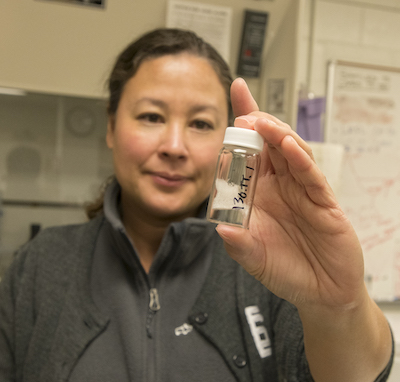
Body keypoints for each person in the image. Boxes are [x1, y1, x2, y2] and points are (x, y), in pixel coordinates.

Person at [0, 28, 394, 382]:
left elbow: (356, 375)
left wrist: (340, 302)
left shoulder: (268, 269)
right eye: (151, 116)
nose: (174, 147)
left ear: (229, 141)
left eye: (201, 124)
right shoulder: (40, 266)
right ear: (111, 125)